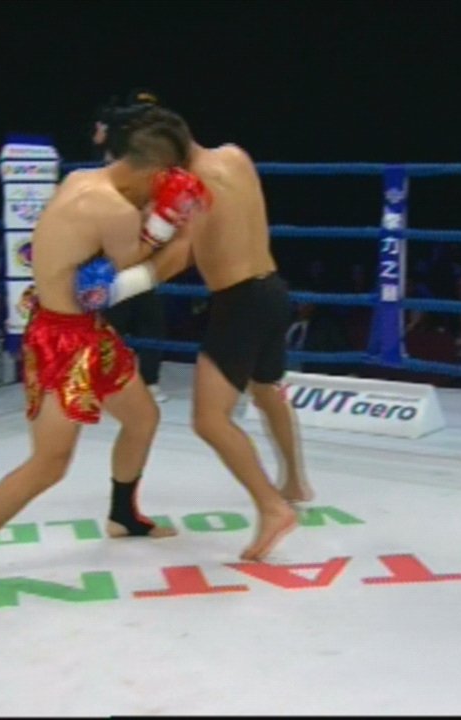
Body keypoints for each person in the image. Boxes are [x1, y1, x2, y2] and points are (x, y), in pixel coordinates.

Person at [0, 107, 210, 596]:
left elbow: (101, 273)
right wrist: (182, 228)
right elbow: (140, 274)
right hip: (62, 342)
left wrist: (155, 222)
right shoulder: (115, 212)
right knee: (50, 462)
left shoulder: (81, 180)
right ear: (156, 171)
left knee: (142, 418)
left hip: (85, 328)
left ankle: (123, 514)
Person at [76, 106, 313, 562]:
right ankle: (295, 482)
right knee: (267, 390)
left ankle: (273, 507)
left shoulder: (190, 187)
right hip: (272, 290)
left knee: (210, 420)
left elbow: (180, 254)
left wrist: (120, 286)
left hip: (240, 303)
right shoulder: (235, 156)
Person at [92, 90, 171, 402]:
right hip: (119, 235)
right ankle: (110, 377)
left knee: (145, 312)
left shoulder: (154, 147)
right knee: (117, 312)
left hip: (141, 235)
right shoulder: (121, 145)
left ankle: (148, 379)